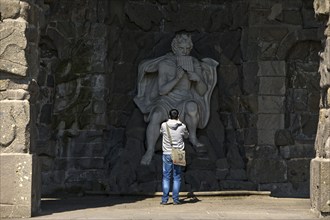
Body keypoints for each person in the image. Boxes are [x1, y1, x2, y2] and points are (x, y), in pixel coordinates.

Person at [134, 33, 218, 165]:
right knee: (155, 115)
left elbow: (202, 91)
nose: (184, 53)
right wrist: (177, 78)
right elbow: (162, 90)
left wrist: (197, 79)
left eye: (187, 49)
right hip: (166, 100)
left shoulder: (193, 63)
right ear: (174, 48)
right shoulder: (165, 64)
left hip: (185, 99)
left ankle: (193, 137)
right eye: (181, 49)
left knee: (193, 108)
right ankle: (149, 150)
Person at [160, 109, 189, 205]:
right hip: (178, 153)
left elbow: (161, 132)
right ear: (178, 116)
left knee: (166, 177)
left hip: (167, 153)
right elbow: (186, 136)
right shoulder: (182, 126)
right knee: (177, 177)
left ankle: (165, 199)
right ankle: (175, 199)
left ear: (169, 115)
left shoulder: (164, 125)